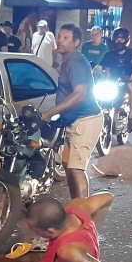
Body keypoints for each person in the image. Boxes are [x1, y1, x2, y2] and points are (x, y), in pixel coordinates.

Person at [41, 24, 102, 199]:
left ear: (76, 42)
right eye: (59, 37)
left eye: (66, 38)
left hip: (85, 120)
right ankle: (77, 205)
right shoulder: (68, 60)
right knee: (68, 165)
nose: (60, 41)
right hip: (74, 121)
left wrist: (50, 112)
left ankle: (83, 212)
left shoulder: (75, 60)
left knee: (76, 169)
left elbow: (79, 94)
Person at [94, 27, 132, 130]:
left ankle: (131, 116)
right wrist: (96, 70)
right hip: (112, 80)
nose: (119, 41)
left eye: (121, 39)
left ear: (126, 40)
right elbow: (100, 66)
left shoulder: (131, 52)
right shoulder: (109, 55)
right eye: (117, 39)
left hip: (127, 78)